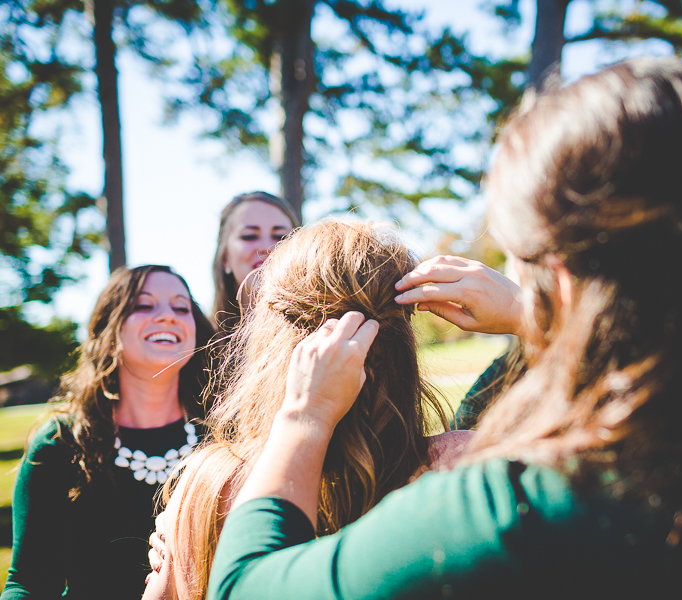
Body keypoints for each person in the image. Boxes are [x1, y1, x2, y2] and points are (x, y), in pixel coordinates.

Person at [204, 57, 682, 599]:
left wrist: (302, 422)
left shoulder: (513, 512)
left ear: (558, 269)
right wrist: (531, 314)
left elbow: (243, 587)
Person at [142, 221, 471, 600]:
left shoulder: (212, 482)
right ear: (402, 342)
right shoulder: (459, 464)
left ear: (270, 339)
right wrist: (522, 316)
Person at [1, 266, 214, 600]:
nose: (168, 317)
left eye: (181, 307)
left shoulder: (225, 435)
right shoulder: (61, 443)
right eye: (144, 305)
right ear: (109, 329)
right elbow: (29, 583)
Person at [211, 192, 300, 332]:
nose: (267, 247)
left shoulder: (328, 334)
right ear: (225, 258)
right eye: (249, 236)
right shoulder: (195, 344)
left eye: (280, 237)